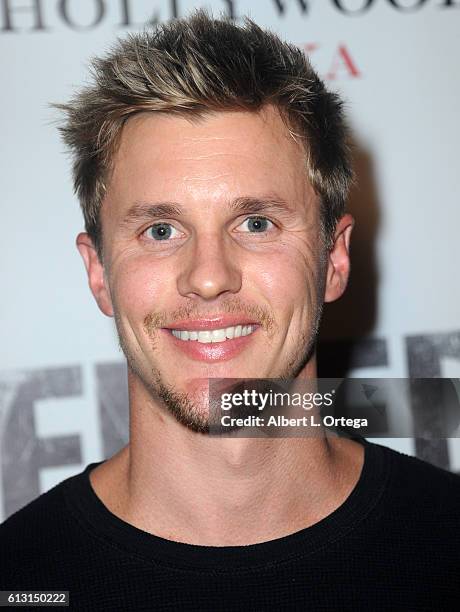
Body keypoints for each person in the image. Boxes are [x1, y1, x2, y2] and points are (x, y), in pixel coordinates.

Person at [1, 10, 459, 611]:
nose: (210, 276)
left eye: (257, 223)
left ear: (334, 260)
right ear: (98, 272)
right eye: (161, 230)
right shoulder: (19, 578)